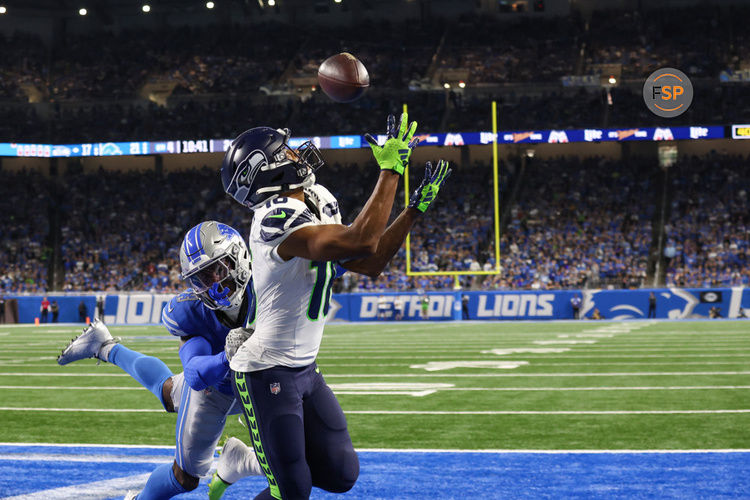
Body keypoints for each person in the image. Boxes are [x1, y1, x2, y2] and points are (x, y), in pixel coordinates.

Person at [221, 112, 450, 500]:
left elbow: (368, 261)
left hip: (304, 367)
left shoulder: (317, 198)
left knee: (341, 473)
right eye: (287, 152)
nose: (297, 155)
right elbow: (360, 241)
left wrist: (413, 211)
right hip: (265, 369)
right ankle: (246, 464)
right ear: (267, 170)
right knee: (293, 491)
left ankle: (248, 460)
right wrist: (391, 170)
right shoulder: (273, 220)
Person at [57, 221, 263, 500]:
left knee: (169, 391)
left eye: (218, 269)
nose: (213, 285)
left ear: (237, 258)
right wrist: (227, 357)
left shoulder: (268, 287)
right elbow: (194, 374)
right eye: (202, 278)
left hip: (260, 383)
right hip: (215, 388)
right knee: (184, 477)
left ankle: (105, 346)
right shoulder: (192, 311)